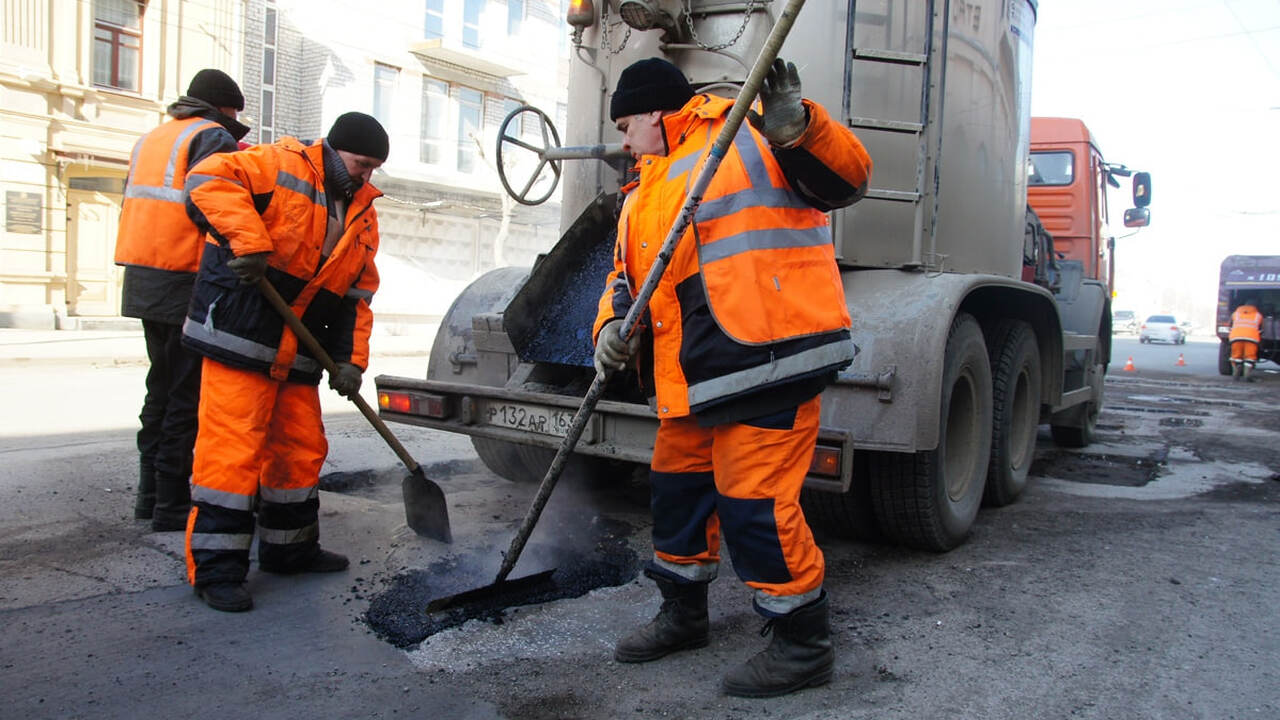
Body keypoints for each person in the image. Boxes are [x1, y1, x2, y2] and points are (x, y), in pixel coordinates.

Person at [594, 57, 872, 697]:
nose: (624, 140)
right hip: (692, 374)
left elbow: (848, 180)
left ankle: (803, 644)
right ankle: (682, 615)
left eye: (627, 125)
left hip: (767, 356)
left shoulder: (746, 134)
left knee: (755, 506)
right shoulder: (642, 190)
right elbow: (624, 281)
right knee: (677, 494)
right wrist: (609, 328)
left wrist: (796, 128)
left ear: (655, 115)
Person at [180, 112, 389, 612]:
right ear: (337, 150)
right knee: (231, 458)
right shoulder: (278, 164)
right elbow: (207, 178)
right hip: (241, 335)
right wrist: (248, 241)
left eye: (374, 168)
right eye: (362, 164)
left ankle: (289, 550)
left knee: (299, 450)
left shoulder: (363, 213)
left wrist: (349, 362)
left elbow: (356, 297)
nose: (366, 176)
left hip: (299, 350)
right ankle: (216, 572)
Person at [114, 69, 250, 531]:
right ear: (224, 109)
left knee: (160, 388)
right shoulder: (212, 136)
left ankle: (148, 497)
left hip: (144, 277)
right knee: (185, 397)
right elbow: (216, 207)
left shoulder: (153, 137)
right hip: (184, 280)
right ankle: (172, 506)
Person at [1229, 296, 1263, 382]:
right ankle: (1247, 375)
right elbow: (1261, 329)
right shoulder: (1258, 315)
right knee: (1250, 357)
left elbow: (1230, 325)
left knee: (1236, 356)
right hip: (1252, 338)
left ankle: (1236, 373)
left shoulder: (1235, 314)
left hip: (1236, 337)